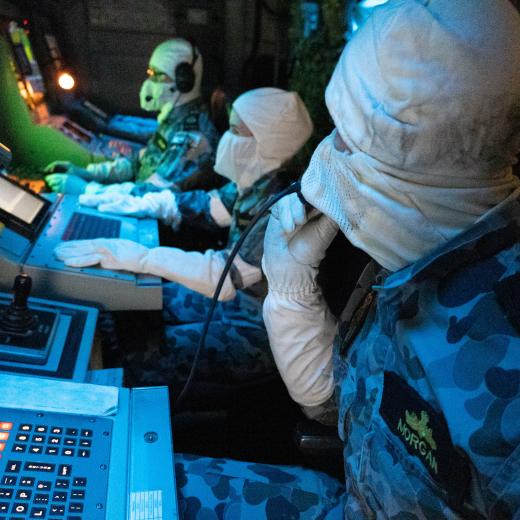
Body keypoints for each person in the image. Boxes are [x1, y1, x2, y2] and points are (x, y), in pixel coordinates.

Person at [262, 0, 520, 517]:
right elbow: (347, 410)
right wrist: (292, 300)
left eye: (364, 138)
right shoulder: (403, 262)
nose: (331, 154)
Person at [54, 87, 314, 394]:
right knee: (138, 301)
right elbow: (209, 206)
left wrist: (144, 258)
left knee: (137, 360)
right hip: (235, 304)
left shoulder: (284, 205)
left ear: (267, 142)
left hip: (259, 333)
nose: (225, 139)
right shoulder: (259, 183)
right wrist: (145, 200)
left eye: (234, 131)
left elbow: (225, 277)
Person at [44, 38, 220, 196]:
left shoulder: (194, 135)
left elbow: (155, 195)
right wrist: (89, 173)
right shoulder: (175, 119)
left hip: (158, 224)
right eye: (150, 73)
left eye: (158, 76)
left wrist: (87, 190)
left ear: (183, 82)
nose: (149, 83)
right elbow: (141, 161)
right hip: (138, 202)